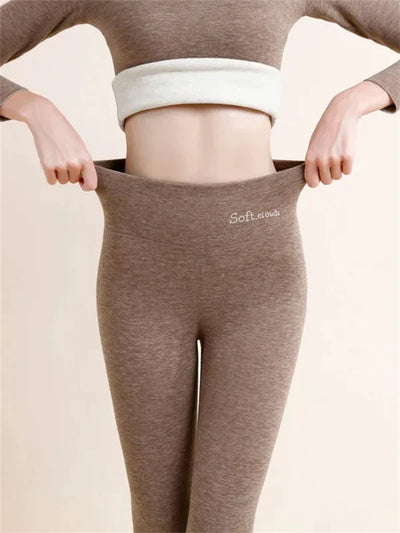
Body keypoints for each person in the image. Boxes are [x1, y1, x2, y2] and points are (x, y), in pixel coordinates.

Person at [1, 1, 399, 532]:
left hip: (258, 266)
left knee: (223, 520)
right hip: (142, 267)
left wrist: (354, 100)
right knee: (157, 518)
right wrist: (32, 107)